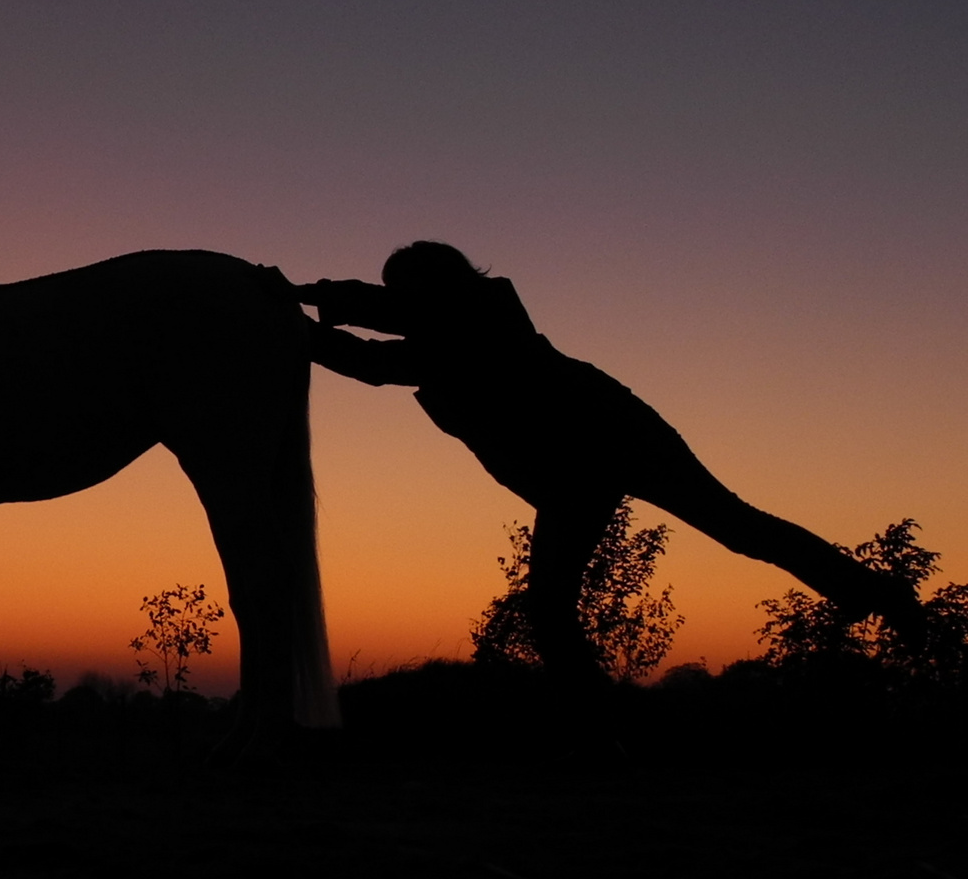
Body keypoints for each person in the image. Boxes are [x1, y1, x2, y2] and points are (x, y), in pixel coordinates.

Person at [299, 241, 922, 680]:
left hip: (619, 436)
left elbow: (392, 325)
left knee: (739, 528)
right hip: (572, 474)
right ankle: (597, 735)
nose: (398, 297)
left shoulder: (487, 307)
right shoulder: (432, 350)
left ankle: (884, 598)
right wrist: (294, 325)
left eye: (406, 285)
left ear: (441, 282)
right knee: (549, 606)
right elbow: (372, 363)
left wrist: (302, 296)